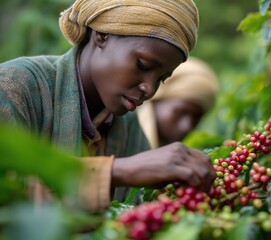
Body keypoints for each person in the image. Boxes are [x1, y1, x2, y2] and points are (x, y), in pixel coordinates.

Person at [0, 0, 216, 212]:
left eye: (161, 79)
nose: (149, 89)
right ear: (102, 36)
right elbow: (9, 193)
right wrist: (116, 172)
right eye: (143, 65)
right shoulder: (15, 86)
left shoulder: (129, 129)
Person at [137, 56, 218, 149]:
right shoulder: (123, 137)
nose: (187, 126)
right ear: (157, 98)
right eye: (181, 112)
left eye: (197, 117)